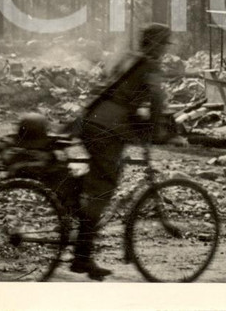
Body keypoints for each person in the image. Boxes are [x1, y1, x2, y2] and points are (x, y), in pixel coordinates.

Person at [71, 22, 175, 280]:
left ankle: (75, 214)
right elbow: (157, 101)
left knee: (102, 179)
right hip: (106, 128)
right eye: (163, 44)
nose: (164, 50)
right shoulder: (149, 66)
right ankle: (81, 257)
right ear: (156, 44)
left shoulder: (128, 59)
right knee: (102, 189)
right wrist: (155, 131)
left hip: (91, 120)